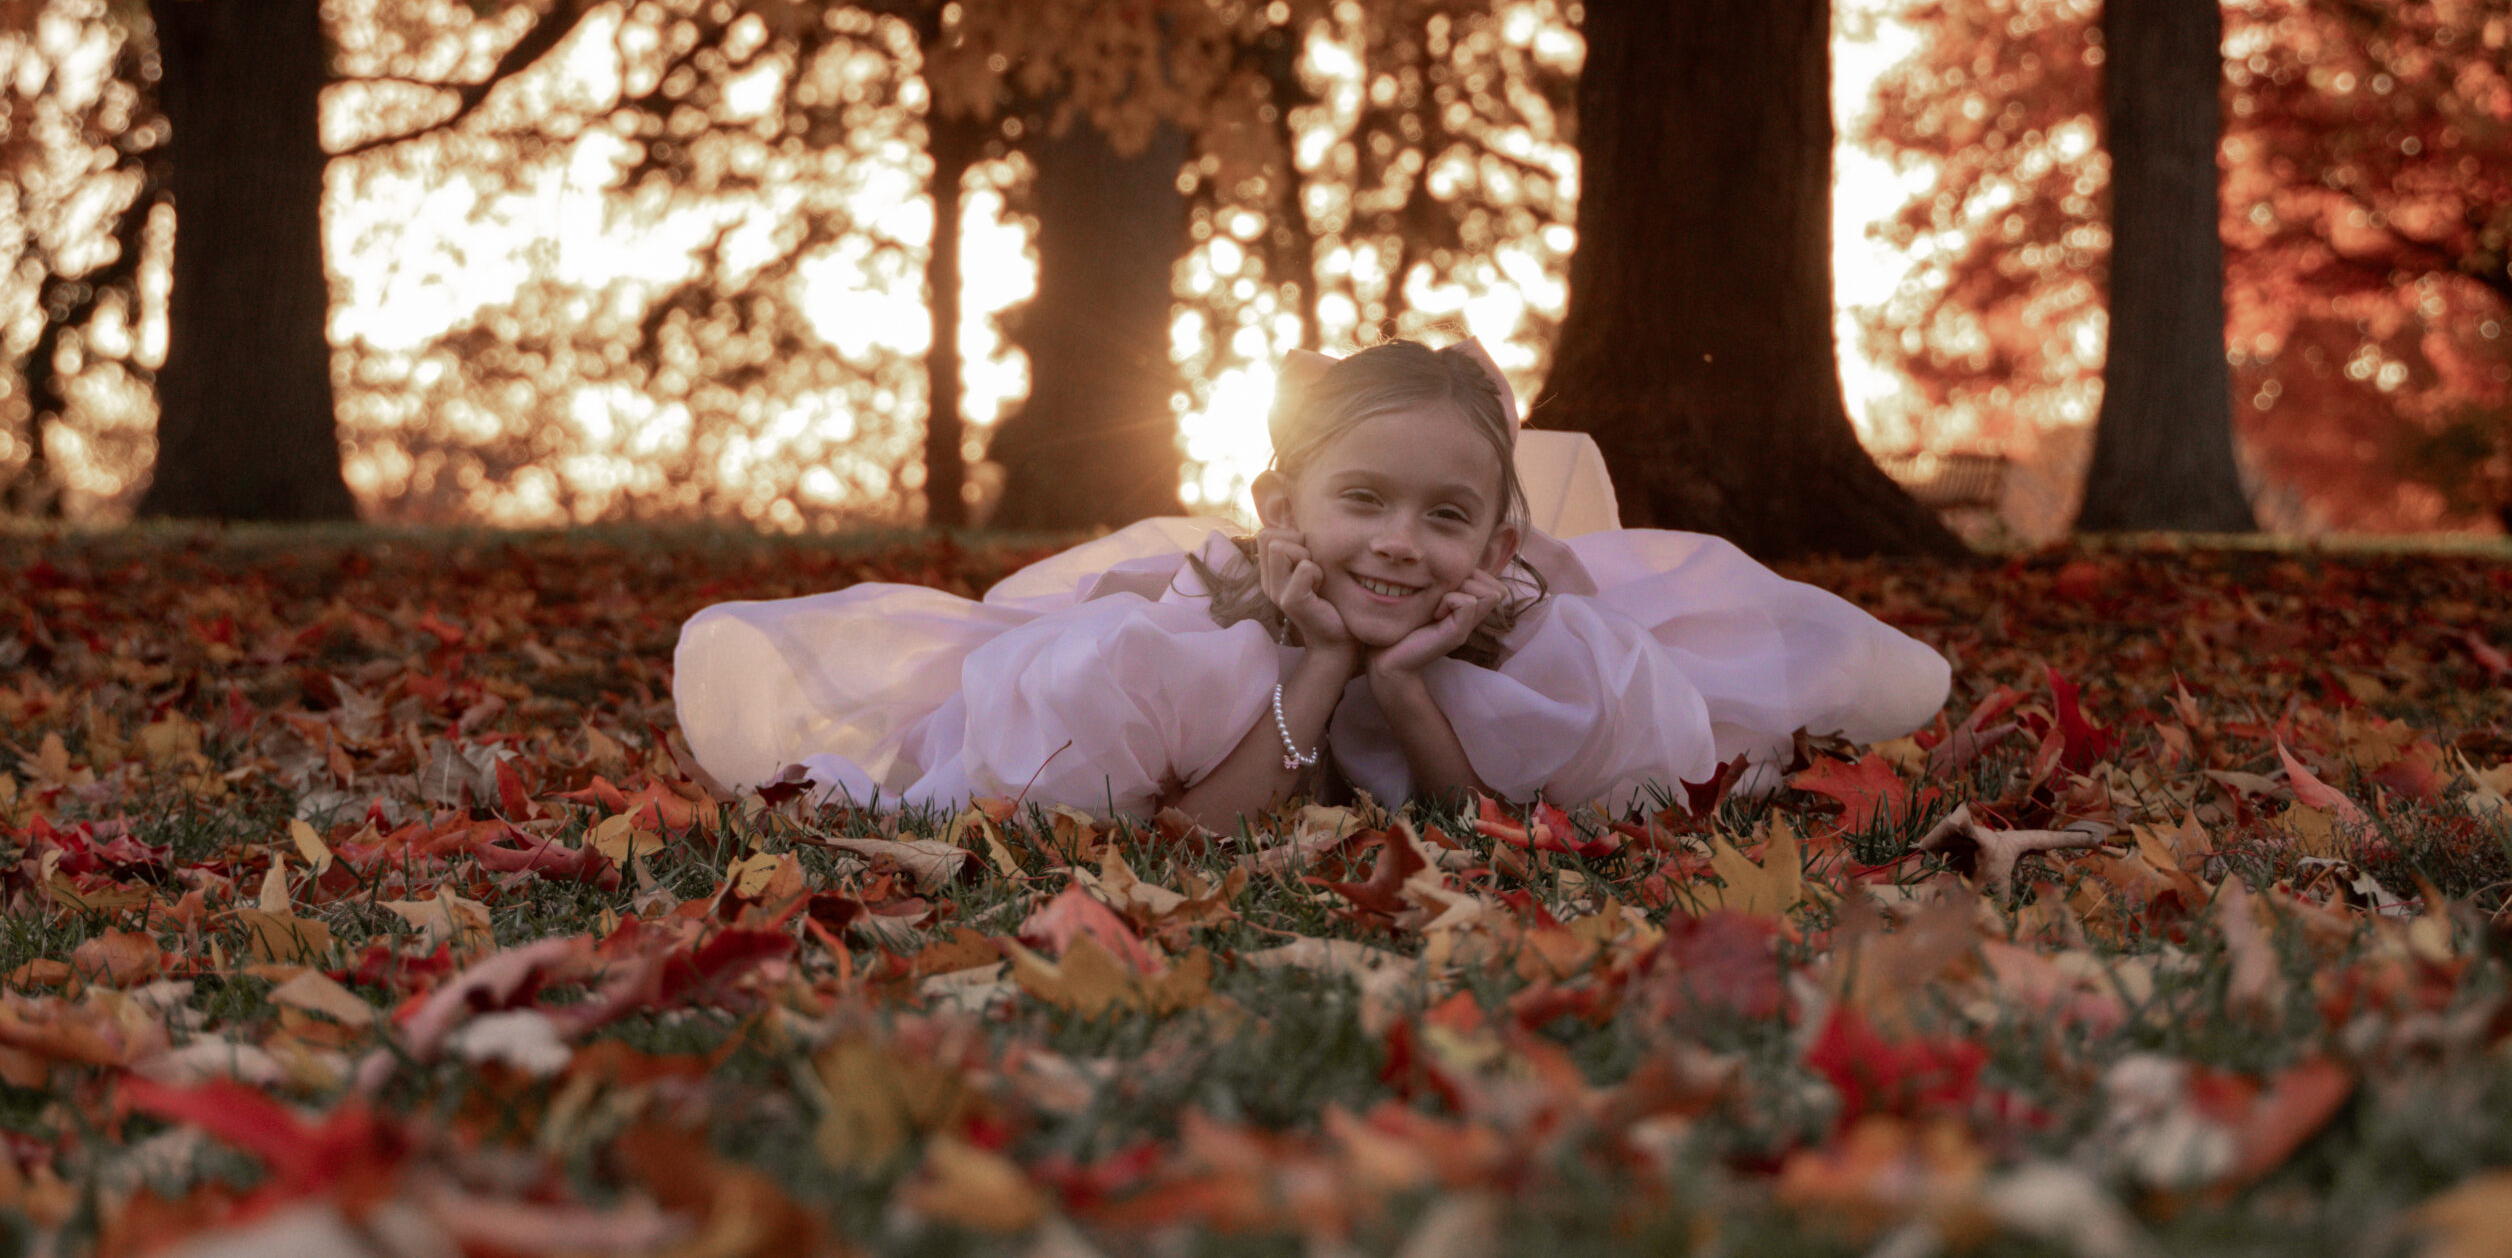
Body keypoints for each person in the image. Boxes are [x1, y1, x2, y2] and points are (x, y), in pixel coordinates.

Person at [673, 340, 1950, 832]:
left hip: (1444, 663)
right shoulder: (1190, 630)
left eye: (1446, 518)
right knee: (1095, 708)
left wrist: (1404, 690)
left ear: (1498, 549)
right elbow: (1186, 836)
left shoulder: (1539, 648)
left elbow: (1491, 826)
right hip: (1245, 643)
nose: (1399, 543)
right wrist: (1322, 664)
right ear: (1283, 511)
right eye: (1362, 504)